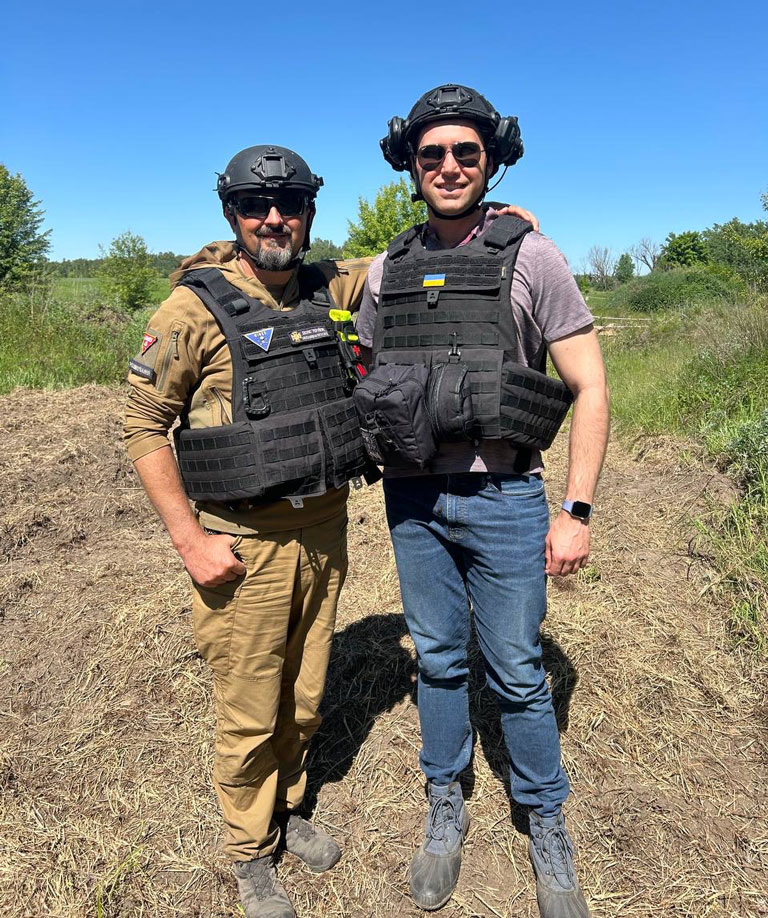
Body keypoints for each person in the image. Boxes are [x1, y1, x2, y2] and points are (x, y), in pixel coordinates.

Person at [355, 85, 610, 918]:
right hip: (414, 498)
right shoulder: (385, 269)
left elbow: (591, 386)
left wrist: (574, 512)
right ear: (411, 166)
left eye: (466, 152)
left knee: (517, 668)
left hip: (505, 496)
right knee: (437, 656)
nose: (450, 166)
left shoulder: (534, 257)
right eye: (433, 155)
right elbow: (358, 361)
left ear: (491, 159)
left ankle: (544, 819)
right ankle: (444, 804)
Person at [124, 145, 377, 918]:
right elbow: (142, 425)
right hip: (243, 542)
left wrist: (495, 219)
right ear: (231, 216)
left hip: (325, 529)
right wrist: (191, 544)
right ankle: (248, 854)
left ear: (309, 209)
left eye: (291, 203)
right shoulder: (191, 310)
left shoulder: (326, 285)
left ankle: (287, 807)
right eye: (255, 207)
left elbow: (402, 256)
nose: (274, 218)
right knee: (247, 707)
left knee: (303, 698)